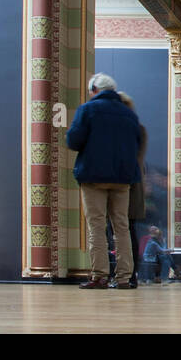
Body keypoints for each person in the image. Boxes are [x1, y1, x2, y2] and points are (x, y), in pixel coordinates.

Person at [65, 73, 142, 290]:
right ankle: (124, 277)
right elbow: (136, 144)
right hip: (122, 179)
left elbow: (74, 140)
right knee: (122, 227)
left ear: (95, 89)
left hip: (94, 176)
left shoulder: (88, 109)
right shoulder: (129, 115)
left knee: (97, 226)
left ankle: (99, 276)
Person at [116, 93, 148, 287]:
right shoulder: (138, 130)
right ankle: (129, 273)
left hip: (127, 185)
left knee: (125, 229)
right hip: (132, 183)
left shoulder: (131, 131)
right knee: (127, 229)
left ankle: (128, 273)